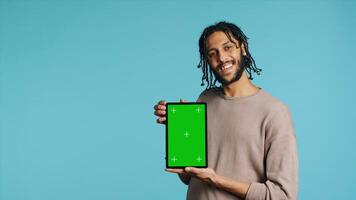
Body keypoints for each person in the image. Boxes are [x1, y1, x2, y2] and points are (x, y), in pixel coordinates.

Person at [153, 21, 298, 200]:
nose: (221, 58)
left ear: (243, 48)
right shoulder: (205, 99)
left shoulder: (275, 112)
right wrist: (180, 131)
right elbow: (189, 177)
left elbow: (282, 196)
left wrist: (215, 179)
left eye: (228, 47)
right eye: (212, 54)